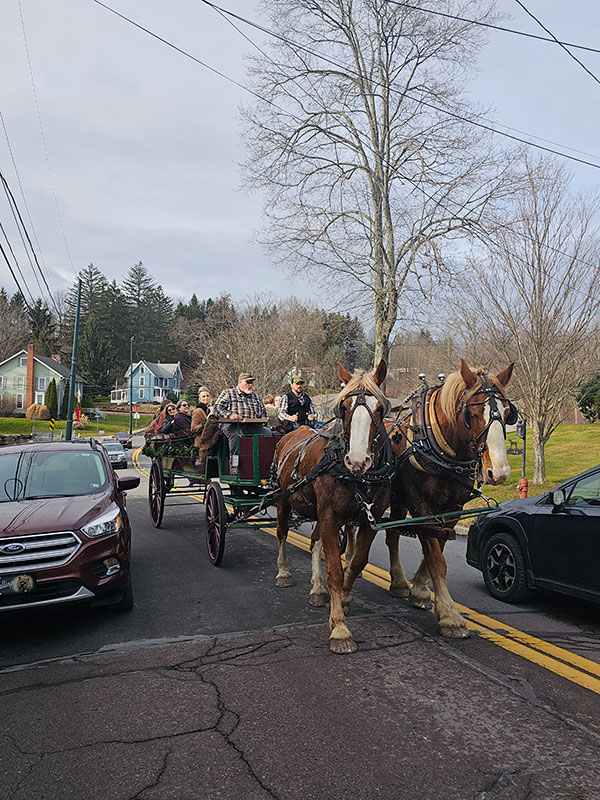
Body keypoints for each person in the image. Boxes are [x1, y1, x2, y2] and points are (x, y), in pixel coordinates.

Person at [213, 372, 272, 472]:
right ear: (240, 382)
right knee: (237, 435)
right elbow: (217, 408)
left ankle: (263, 463)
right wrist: (230, 415)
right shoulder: (228, 393)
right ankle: (234, 465)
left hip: (251, 425)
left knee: (267, 433)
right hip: (231, 425)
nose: (250, 385)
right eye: (248, 382)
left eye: (251, 383)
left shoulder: (256, 397)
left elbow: (264, 412)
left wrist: (263, 420)